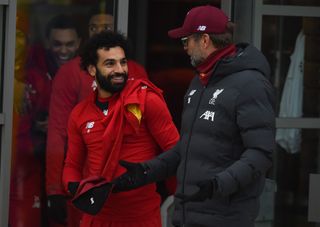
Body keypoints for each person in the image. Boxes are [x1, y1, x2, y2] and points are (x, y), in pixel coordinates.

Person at [113, 5, 276, 227]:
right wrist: (146, 170)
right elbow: (188, 148)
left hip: (225, 217)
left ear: (205, 40)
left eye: (186, 41)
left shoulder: (250, 84)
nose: (185, 48)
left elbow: (261, 153)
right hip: (188, 213)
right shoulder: (200, 81)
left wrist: (218, 185)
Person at [62, 31, 179, 227]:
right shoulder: (79, 114)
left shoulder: (145, 100)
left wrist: (148, 175)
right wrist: (76, 188)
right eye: (110, 64)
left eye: (123, 62)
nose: (120, 70)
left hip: (140, 218)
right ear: (92, 69)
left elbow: (176, 153)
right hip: (97, 217)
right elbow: (72, 165)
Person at [45, 11, 149, 227]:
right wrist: (54, 189)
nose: (100, 33)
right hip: (86, 183)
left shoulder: (136, 72)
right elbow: (57, 132)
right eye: (94, 28)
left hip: (130, 185)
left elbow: (155, 134)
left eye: (106, 27)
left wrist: (166, 181)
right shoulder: (70, 73)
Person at [9, 14, 81, 227]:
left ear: (79, 43)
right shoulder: (33, 75)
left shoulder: (89, 73)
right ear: (48, 43)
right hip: (31, 163)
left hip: (70, 166)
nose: (64, 50)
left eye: (69, 44)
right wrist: (37, 126)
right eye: (57, 44)